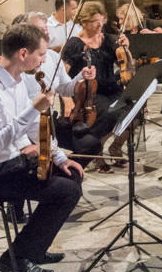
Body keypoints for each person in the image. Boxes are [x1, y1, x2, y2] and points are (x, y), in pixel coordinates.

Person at [0, 23, 84, 272]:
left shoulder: (17, 78)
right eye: (41, 54)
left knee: (70, 175)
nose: (45, 60)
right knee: (65, 192)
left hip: (4, 162)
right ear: (23, 54)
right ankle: (18, 258)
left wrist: (59, 156)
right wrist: (33, 108)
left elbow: (35, 126)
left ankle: (34, 247)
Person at [14, 13, 101, 167]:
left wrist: (82, 76)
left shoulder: (53, 56)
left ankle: (62, 169)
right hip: (26, 127)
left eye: (46, 28)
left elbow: (66, 89)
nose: (46, 33)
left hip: (48, 122)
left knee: (91, 145)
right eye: (41, 29)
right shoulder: (20, 64)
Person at [62, 1, 127, 173]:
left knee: (136, 111)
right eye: (94, 21)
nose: (99, 25)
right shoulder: (74, 44)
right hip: (89, 93)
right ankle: (98, 154)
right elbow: (62, 77)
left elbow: (124, 62)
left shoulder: (106, 40)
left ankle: (115, 147)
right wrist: (67, 100)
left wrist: (125, 47)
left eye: (101, 20)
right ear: (83, 22)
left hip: (111, 87)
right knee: (111, 113)